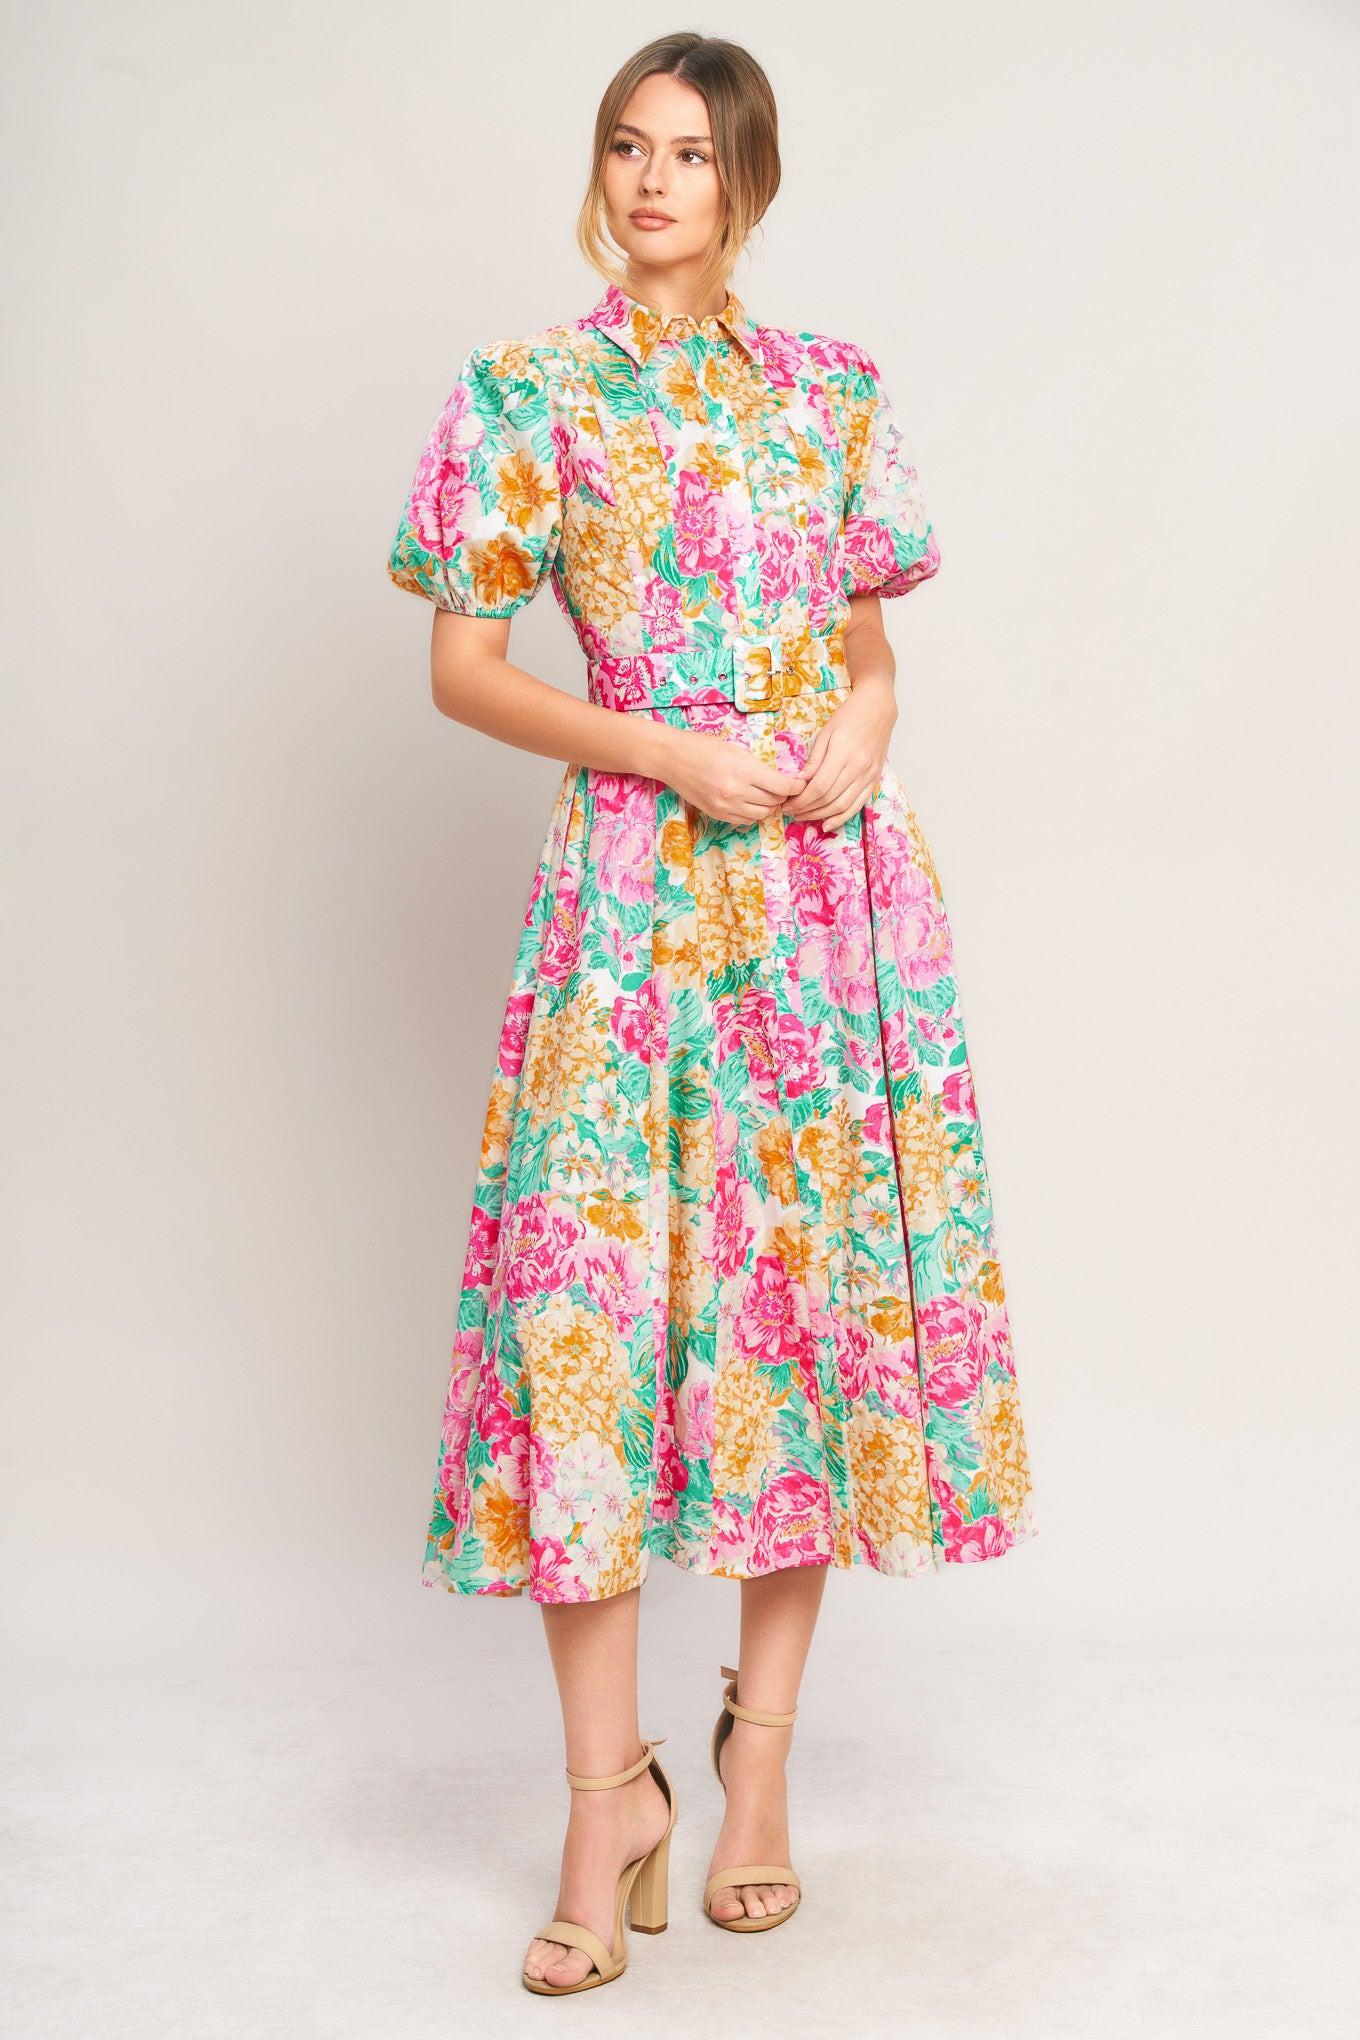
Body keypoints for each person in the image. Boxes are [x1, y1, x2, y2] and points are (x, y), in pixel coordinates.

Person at [386, 30, 1036, 1999]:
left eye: (689, 153)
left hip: (822, 912)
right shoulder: (526, 390)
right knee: (579, 1335)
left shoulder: (828, 390)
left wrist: (859, 713)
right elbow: (459, 665)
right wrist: (659, 749)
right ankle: (606, 1802)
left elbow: (862, 637)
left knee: (789, 1321)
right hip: (626, 902)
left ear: (747, 185)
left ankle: (752, 1778)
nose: (650, 180)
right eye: (623, 146)